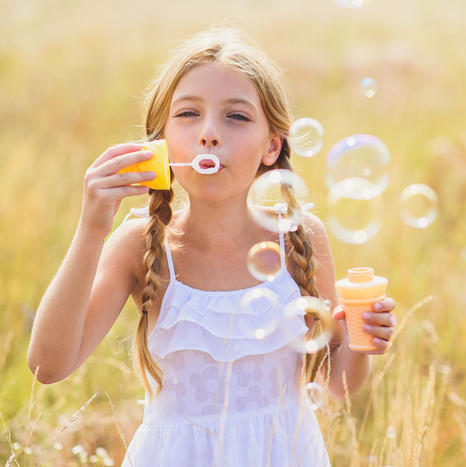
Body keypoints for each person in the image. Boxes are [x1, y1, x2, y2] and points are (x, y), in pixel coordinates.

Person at [27, 26, 396, 466]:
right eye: (187, 114)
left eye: (236, 117)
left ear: (270, 146)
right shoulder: (140, 246)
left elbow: (339, 386)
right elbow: (48, 367)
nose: (209, 133)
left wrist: (361, 341)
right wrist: (91, 228)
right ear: (162, 144)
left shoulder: (301, 237)